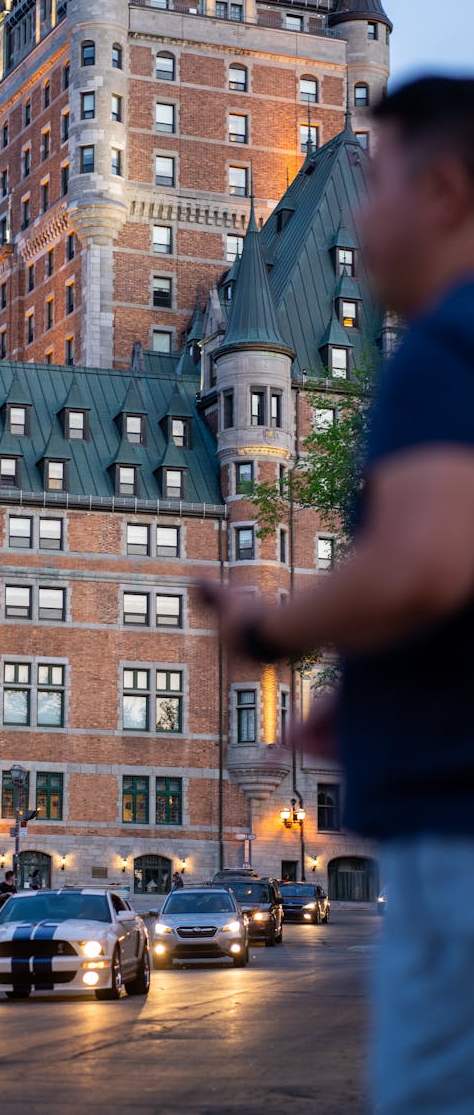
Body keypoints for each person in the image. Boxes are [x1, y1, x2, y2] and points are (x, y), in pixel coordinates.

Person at [198, 76, 474, 1114]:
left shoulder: (444, 348)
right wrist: (361, 694)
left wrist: (275, 624)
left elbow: (423, 564)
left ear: (444, 190)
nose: (362, 215)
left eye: (385, 183)